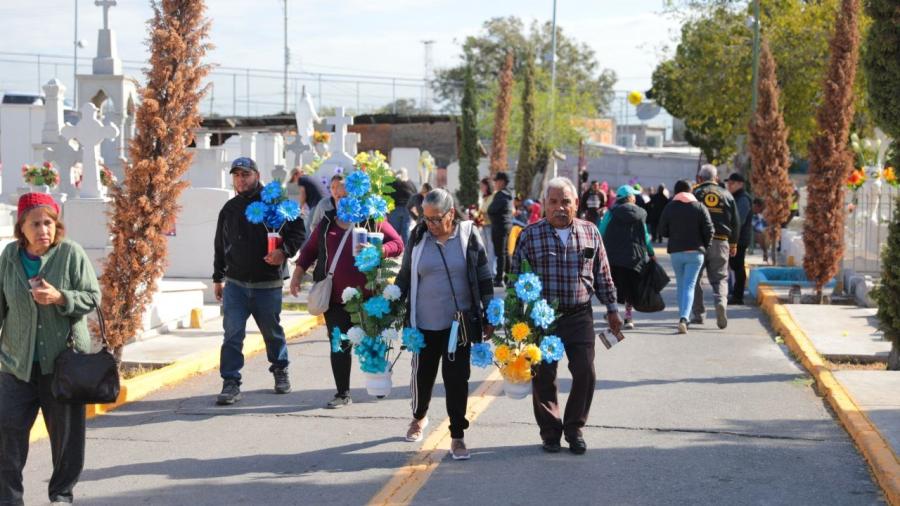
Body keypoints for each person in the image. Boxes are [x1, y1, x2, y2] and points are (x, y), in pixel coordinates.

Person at [0, 193, 101, 505]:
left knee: (66, 440)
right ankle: (8, 499)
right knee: (7, 437)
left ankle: (61, 495)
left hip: (64, 366)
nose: (43, 229)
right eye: (36, 223)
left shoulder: (70, 253)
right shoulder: (9, 257)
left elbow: (92, 297)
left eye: (49, 222)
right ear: (22, 227)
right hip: (16, 365)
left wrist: (61, 298)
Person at [511, 177, 621, 456]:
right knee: (544, 376)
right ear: (544, 204)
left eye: (566, 202)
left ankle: (574, 428)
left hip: (579, 315)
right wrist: (517, 320)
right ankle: (550, 432)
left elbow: (603, 274)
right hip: (543, 318)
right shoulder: (529, 235)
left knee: (585, 370)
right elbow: (516, 279)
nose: (560, 207)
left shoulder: (590, 232)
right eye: (554, 202)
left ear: (577, 204)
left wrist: (611, 309)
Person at [394, 189, 493, 460]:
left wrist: (490, 314)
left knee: (457, 380)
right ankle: (419, 417)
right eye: (427, 219)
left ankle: (457, 436)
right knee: (422, 376)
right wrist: (392, 301)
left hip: (457, 326)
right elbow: (405, 275)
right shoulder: (418, 236)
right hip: (424, 323)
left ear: (451, 213)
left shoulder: (468, 236)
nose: (431, 225)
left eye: (437, 219)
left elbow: (483, 275)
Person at [291, 184, 403, 409]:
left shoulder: (371, 220)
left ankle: (377, 382)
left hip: (369, 298)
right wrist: (296, 275)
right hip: (335, 299)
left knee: (372, 341)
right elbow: (310, 250)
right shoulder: (327, 222)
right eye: (338, 196)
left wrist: (379, 250)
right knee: (338, 344)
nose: (342, 200)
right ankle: (342, 393)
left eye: (347, 195)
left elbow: (398, 244)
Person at [213, 157, 306, 405]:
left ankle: (280, 369)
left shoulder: (277, 202)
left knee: (272, 332)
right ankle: (230, 382)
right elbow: (220, 246)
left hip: (267, 284)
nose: (241, 180)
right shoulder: (230, 208)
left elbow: (299, 232)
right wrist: (217, 277)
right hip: (236, 284)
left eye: (246, 174)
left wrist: (284, 251)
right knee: (232, 334)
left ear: (257, 174)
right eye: (236, 175)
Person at [658, 180, 714, 333]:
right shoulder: (700, 207)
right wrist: (705, 246)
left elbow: (662, 230)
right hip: (696, 253)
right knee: (690, 286)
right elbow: (710, 229)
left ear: (676, 192)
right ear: (691, 191)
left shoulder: (670, 207)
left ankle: (683, 316)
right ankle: (684, 318)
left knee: (681, 286)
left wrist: (674, 234)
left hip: (676, 252)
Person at [598, 185, 655, 329]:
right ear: (629, 198)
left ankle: (613, 312)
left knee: (613, 285)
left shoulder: (611, 212)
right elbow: (645, 236)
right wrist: (651, 252)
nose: (635, 198)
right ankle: (628, 317)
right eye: (634, 195)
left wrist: (597, 249)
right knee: (630, 286)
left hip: (613, 256)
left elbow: (601, 231)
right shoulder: (641, 213)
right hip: (634, 256)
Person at [691, 164, 739, 329]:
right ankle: (720, 303)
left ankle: (698, 313)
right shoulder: (727, 194)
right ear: (716, 178)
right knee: (720, 278)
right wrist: (733, 243)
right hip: (721, 240)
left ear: (700, 178)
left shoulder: (695, 193)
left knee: (696, 278)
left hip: (698, 242)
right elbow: (735, 221)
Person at [725, 172, 752, 305]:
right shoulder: (735, 197)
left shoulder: (743, 199)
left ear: (740, 184)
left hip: (739, 239)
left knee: (738, 267)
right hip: (734, 238)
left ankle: (738, 296)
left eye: (732, 183)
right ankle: (734, 293)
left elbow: (738, 221)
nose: (729, 185)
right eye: (728, 183)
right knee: (734, 266)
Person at [487, 172, 514, 287]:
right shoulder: (508, 194)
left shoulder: (500, 195)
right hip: (506, 226)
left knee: (500, 253)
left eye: (496, 181)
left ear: (502, 182)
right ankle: (508, 277)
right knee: (505, 253)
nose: (495, 184)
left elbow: (491, 209)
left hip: (499, 226)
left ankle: (499, 278)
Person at [387, 169, 418, 246]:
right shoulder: (410, 183)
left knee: (394, 231)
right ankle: (408, 250)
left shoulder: (392, 182)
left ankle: (394, 248)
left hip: (395, 208)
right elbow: (416, 195)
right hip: (407, 209)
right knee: (406, 230)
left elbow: (386, 193)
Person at [478, 177, 496, 277]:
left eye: (482, 186)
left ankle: (492, 272)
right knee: (484, 249)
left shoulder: (493, 197)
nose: (481, 188)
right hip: (484, 226)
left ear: (487, 186)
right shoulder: (484, 198)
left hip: (491, 226)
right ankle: (487, 270)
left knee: (491, 249)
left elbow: (489, 210)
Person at [296, 174, 324, 239]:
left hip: (315, 206)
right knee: (315, 228)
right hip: (320, 204)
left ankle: (305, 247)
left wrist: (298, 209)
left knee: (309, 229)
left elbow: (303, 196)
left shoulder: (301, 181)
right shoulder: (307, 179)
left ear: (295, 176)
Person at [751, 198, 769, 263]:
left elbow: (761, 229)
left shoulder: (760, 215)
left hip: (760, 230)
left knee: (761, 233)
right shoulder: (753, 214)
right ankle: (765, 253)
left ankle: (765, 253)